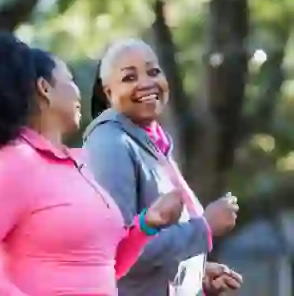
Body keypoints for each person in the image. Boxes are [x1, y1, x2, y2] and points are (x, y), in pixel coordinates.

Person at [0, 33, 184, 296]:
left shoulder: (79, 165)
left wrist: (147, 224)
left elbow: (103, 265)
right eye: (70, 80)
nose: (78, 92)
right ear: (45, 88)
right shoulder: (14, 163)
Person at [83, 38, 243, 296]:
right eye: (129, 77)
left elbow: (155, 251)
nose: (146, 83)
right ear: (108, 92)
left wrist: (196, 278)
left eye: (153, 71)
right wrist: (204, 228)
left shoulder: (151, 142)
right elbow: (118, 250)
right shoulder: (110, 143)